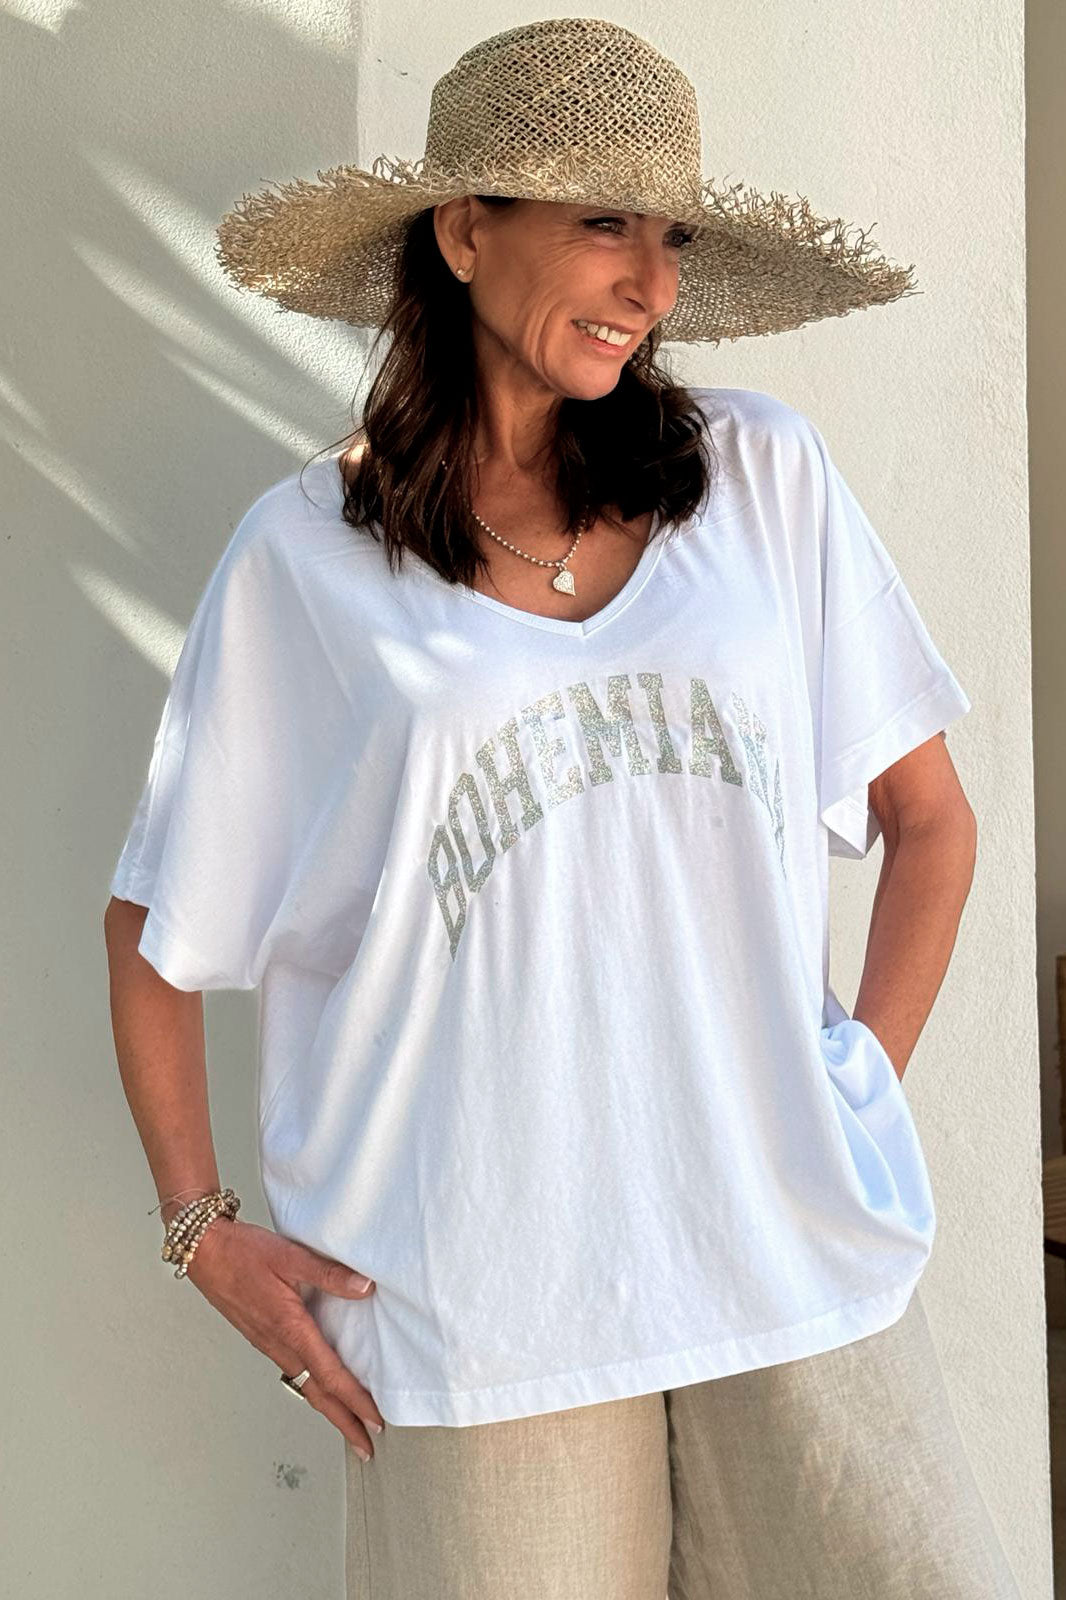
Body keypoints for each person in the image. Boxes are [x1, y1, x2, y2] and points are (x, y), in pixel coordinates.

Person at [103, 16, 1021, 1599]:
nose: (650, 283)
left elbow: (928, 821)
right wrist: (201, 1232)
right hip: (478, 1301)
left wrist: (850, 1088)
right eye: (605, 224)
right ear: (464, 232)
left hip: (783, 1248)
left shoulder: (762, 479)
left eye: (672, 239)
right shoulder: (302, 556)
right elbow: (157, 921)